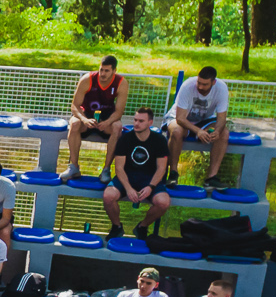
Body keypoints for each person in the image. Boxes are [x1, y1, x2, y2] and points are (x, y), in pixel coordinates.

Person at [103, 105, 173, 238]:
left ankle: (142, 227)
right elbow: (119, 168)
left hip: (150, 179)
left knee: (163, 203)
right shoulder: (125, 139)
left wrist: (151, 187)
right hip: (127, 177)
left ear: (150, 123)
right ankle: (116, 227)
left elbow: (161, 168)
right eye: (135, 120)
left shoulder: (159, 141)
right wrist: (128, 188)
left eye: (141, 121)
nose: (136, 123)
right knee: (108, 196)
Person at [171, 66, 234, 189]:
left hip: (204, 120)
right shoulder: (187, 86)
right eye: (199, 83)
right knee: (177, 131)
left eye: (205, 84)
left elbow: (221, 117)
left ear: (213, 82)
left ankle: (211, 178)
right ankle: (173, 174)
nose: (200, 87)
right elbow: (180, 118)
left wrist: (217, 131)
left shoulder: (221, 88)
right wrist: (197, 131)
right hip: (180, 118)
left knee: (224, 133)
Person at [66, 54, 126, 178]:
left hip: (107, 117)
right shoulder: (87, 79)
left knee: (117, 127)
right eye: (101, 70)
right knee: (74, 123)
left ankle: (106, 169)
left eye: (107, 71)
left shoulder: (121, 83)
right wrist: (84, 119)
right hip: (86, 114)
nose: (103, 74)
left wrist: (107, 122)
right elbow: (75, 106)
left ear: (114, 71)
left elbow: (119, 112)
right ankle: (74, 167)